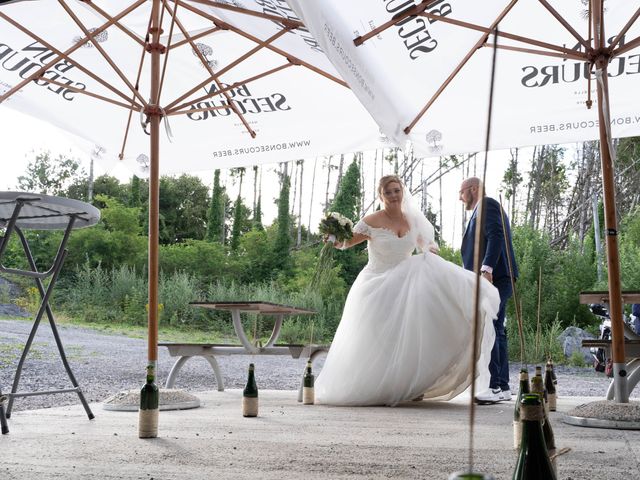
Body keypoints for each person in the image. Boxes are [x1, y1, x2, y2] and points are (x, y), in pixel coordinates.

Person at [315, 175, 500, 406]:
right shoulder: (372, 220)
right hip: (376, 283)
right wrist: (333, 235)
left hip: (405, 284)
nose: (394, 196)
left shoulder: (412, 220)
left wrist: (430, 249)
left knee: (411, 334)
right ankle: (379, 385)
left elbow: (425, 244)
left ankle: (411, 383)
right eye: (388, 192)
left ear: (402, 192)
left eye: (396, 191)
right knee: (380, 338)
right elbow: (345, 243)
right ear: (380, 196)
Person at [459, 177, 518, 404]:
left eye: (462, 192)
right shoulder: (479, 211)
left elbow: (497, 235)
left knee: (490, 326)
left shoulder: (488, 204)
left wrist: (486, 268)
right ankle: (501, 386)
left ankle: (495, 385)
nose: (460, 197)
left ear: (473, 189)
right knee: (497, 327)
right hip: (494, 278)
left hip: (496, 277)